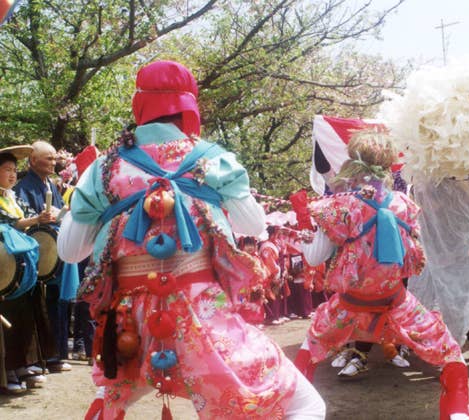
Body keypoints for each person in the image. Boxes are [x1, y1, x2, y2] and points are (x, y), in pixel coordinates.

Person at [57, 60, 325, 419]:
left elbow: (70, 251)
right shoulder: (212, 161)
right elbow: (252, 225)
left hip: (129, 330)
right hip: (202, 319)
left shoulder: (103, 168)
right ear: (188, 108)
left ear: (139, 105)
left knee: (113, 404)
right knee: (305, 405)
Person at [293, 128, 469, 420]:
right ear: (389, 163)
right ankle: (458, 413)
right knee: (451, 355)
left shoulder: (339, 207)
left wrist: (304, 226)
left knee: (308, 350)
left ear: (352, 160)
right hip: (396, 300)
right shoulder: (403, 204)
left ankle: (293, 412)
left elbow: (315, 257)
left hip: (349, 304)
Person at [0, 146, 56, 393]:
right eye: (7, 170)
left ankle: (24, 363)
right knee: (9, 315)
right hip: (4, 269)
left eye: (14, 170)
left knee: (26, 314)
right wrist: (35, 220)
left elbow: (25, 221)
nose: (12, 175)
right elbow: (9, 223)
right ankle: (9, 368)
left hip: (22, 266)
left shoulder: (12, 197)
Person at [14, 140, 72, 372]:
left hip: (55, 253)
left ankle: (57, 353)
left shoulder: (51, 184)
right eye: (48, 158)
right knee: (43, 304)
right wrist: (39, 218)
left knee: (59, 302)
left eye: (54, 158)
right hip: (36, 256)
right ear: (32, 161)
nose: (53, 162)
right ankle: (46, 356)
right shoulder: (21, 188)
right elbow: (23, 221)